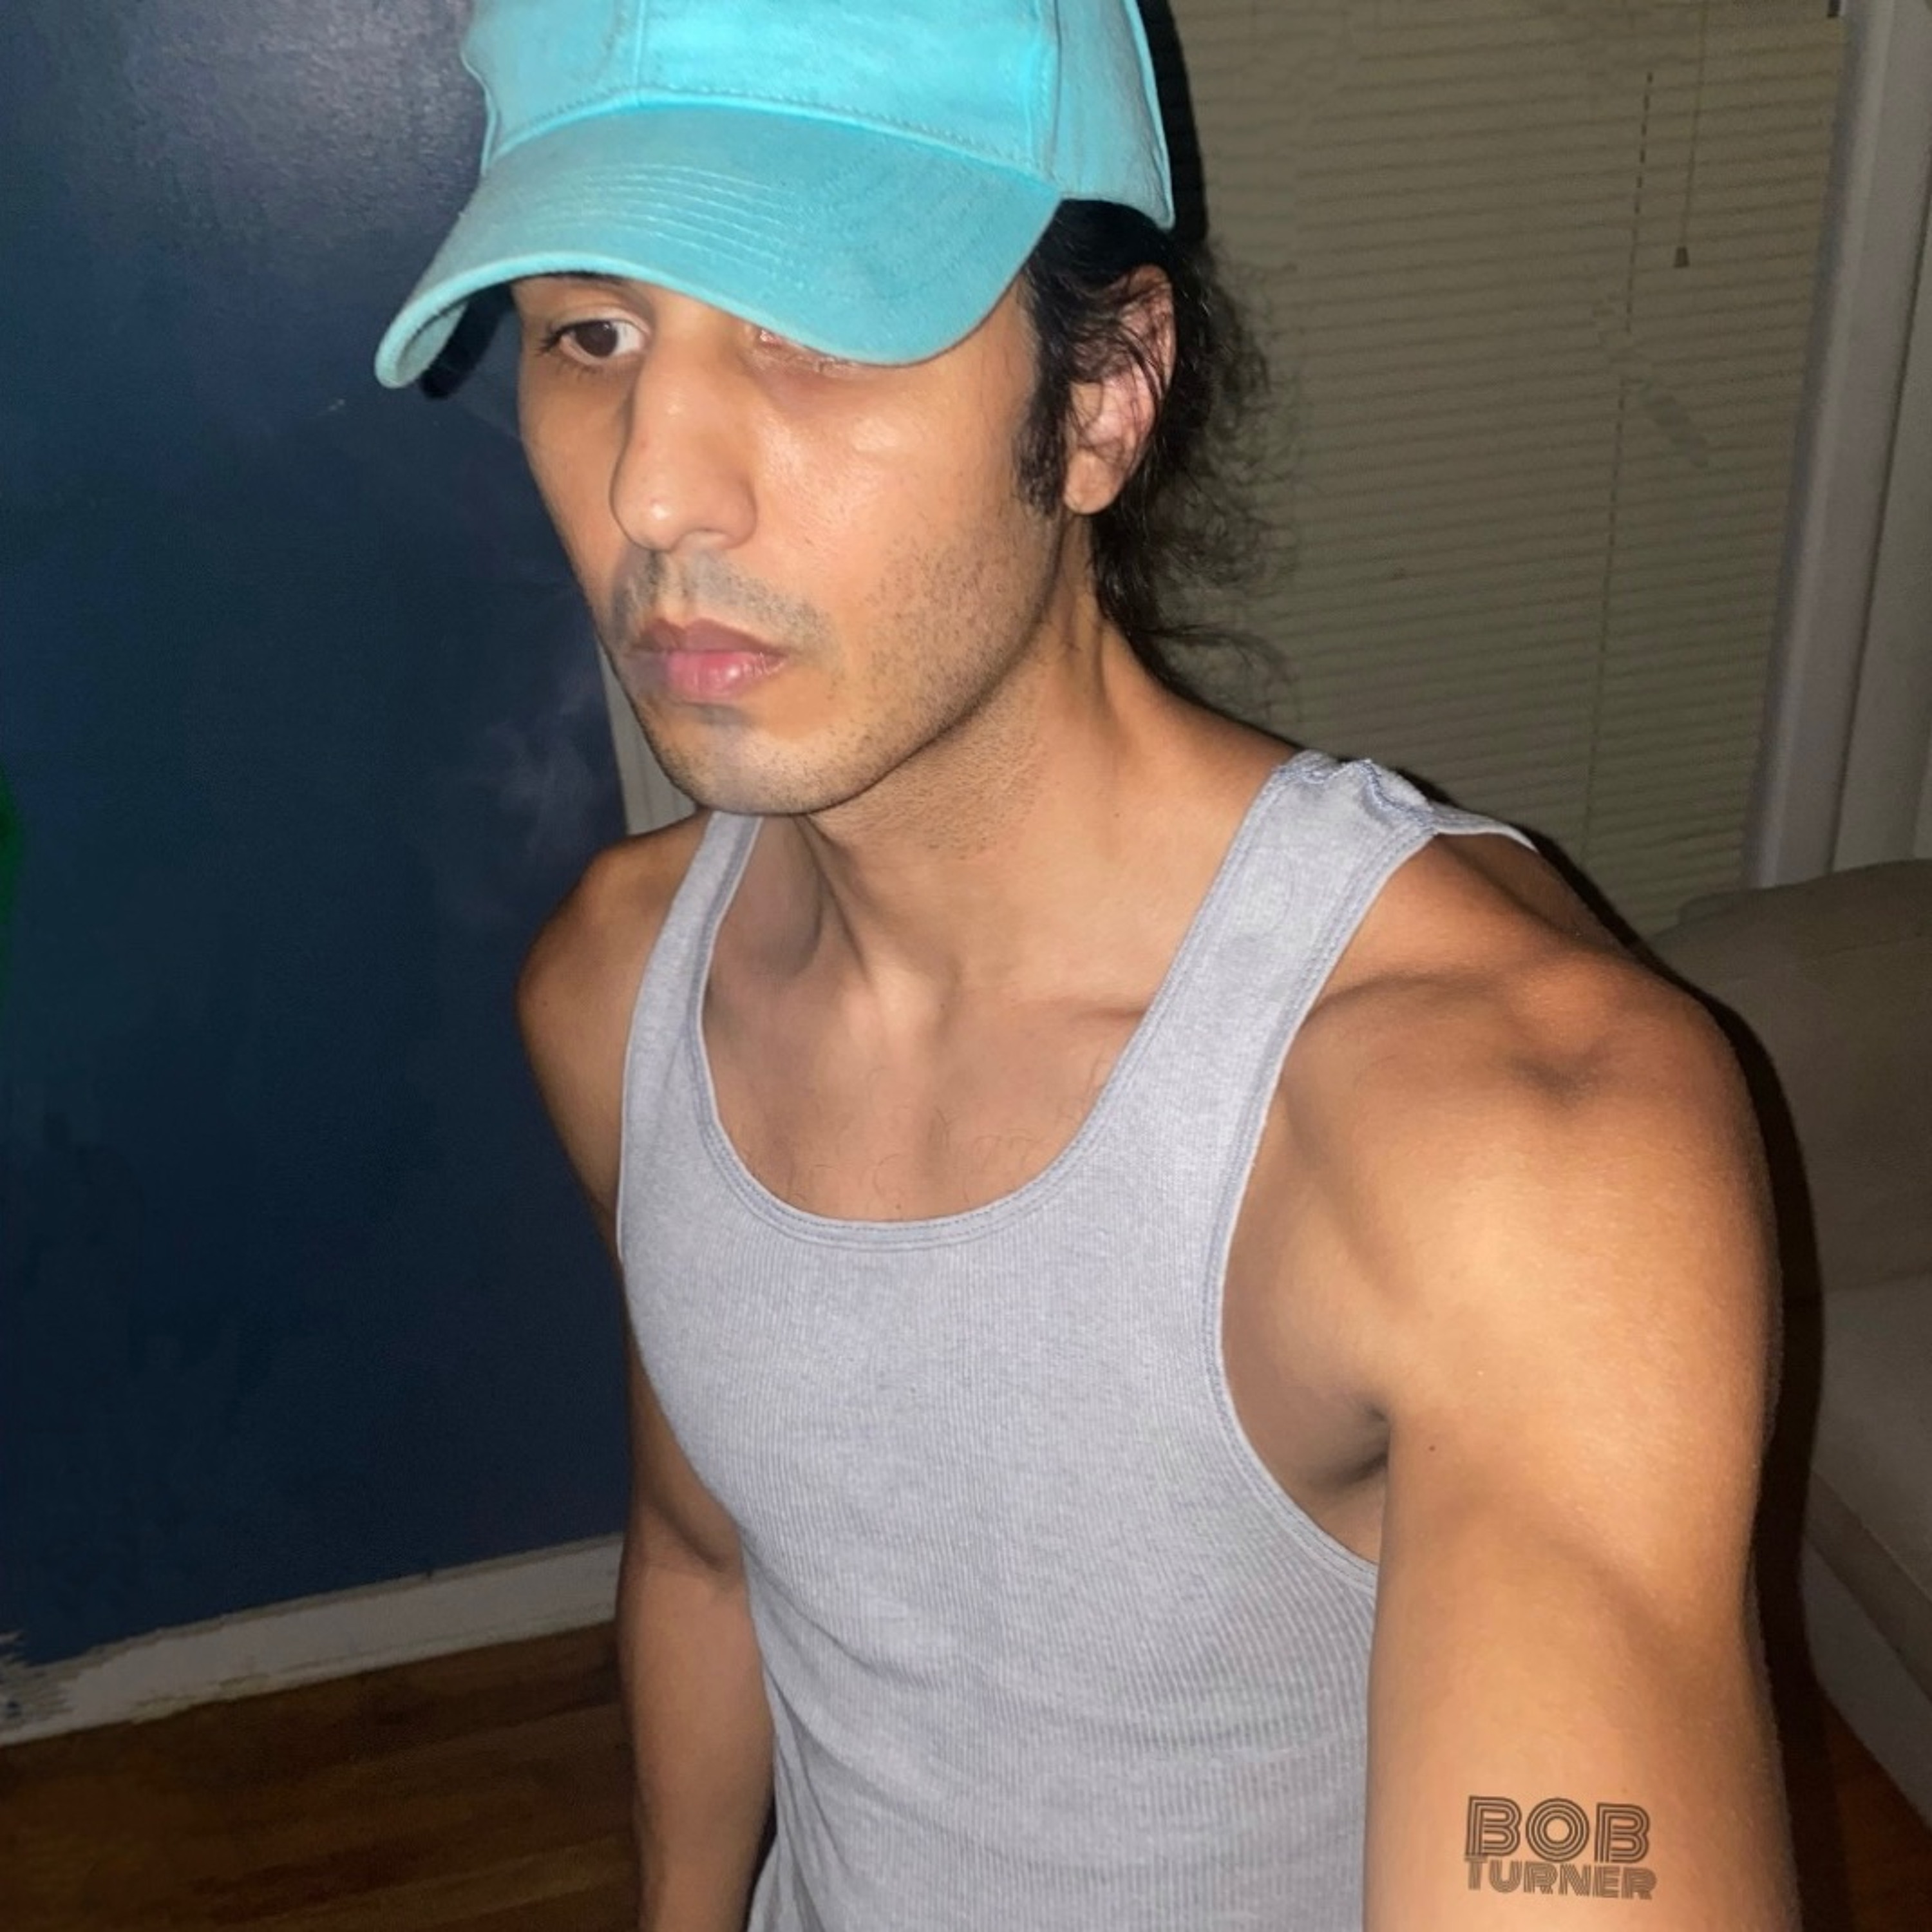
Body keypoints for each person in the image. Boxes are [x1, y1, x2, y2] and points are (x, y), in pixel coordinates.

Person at [376, 3, 1799, 1926]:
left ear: (1106, 393)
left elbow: (1571, 1858)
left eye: (810, 328)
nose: (655, 493)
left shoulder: (1507, 1140)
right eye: (594, 335)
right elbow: (709, 1558)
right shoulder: (621, 994)